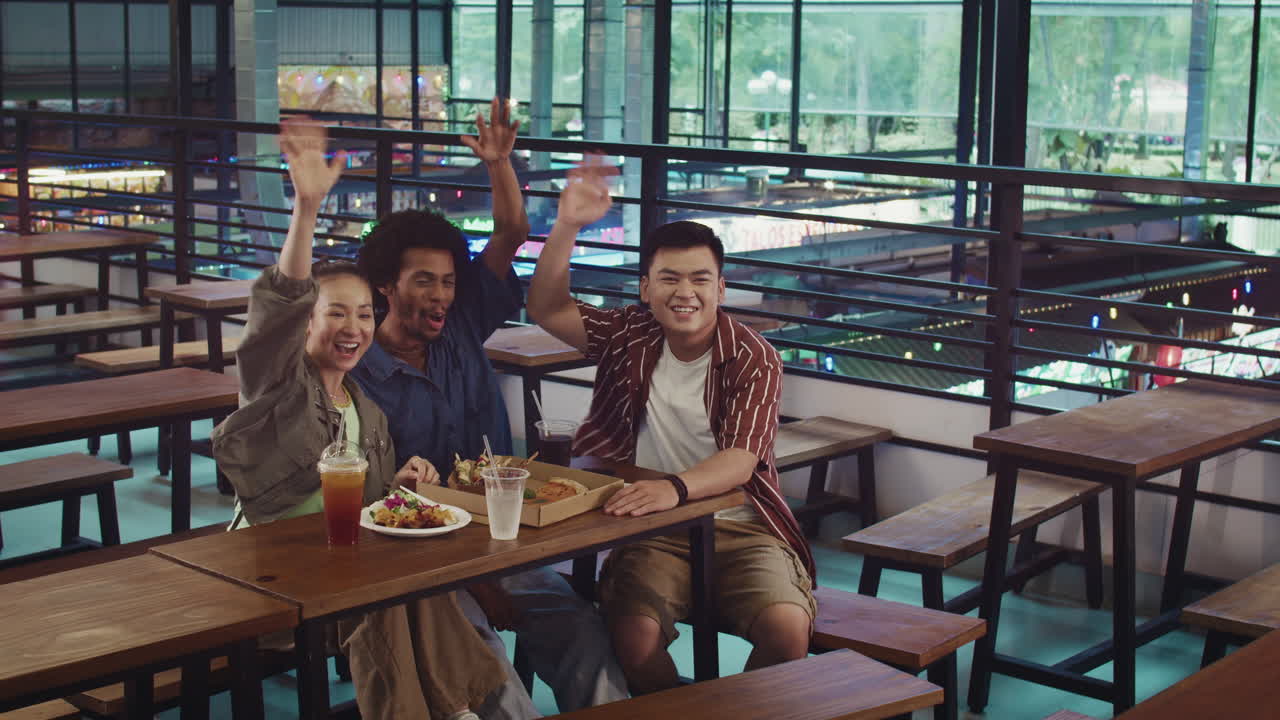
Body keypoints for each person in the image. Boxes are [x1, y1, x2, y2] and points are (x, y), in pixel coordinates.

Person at [212, 117, 508, 720]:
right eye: (335, 315)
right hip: (269, 570)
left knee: (404, 584)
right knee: (391, 593)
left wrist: (398, 486)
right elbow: (279, 304)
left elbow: (369, 510)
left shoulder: (365, 410)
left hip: (346, 568)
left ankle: (455, 712)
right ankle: (455, 711)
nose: (354, 329)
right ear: (307, 324)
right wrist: (308, 206)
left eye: (365, 316)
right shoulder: (278, 385)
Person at [345, 98, 627, 716]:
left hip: (500, 538)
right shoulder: (355, 374)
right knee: (487, 676)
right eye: (424, 281)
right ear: (386, 286)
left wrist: (500, 163)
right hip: (416, 562)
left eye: (448, 281)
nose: (441, 294)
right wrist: (476, 580)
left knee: (584, 634)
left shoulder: (461, 325)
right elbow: (376, 506)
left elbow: (510, 233)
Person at [525, 160, 817, 695]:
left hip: (741, 524)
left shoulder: (754, 356)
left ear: (721, 288)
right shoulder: (629, 333)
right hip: (651, 528)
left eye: (701, 279)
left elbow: (742, 459)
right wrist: (566, 226)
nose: (686, 292)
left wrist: (673, 488)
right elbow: (545, 305)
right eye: (670, 278)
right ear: (645, 288)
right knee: (633, 641)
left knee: (788, 631)